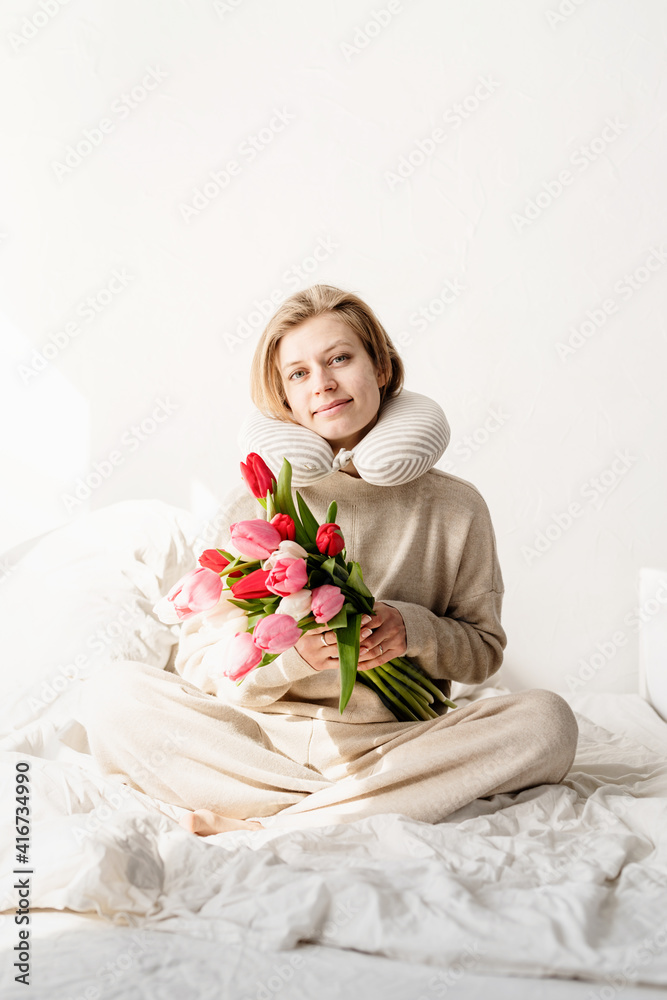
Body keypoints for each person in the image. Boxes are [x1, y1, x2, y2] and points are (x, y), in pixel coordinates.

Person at [82, 284, 579, 836]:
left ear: (383, 366)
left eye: (339, 358)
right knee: (111, 697)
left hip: (391, 744)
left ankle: (276, 821)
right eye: (298, 373)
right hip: (260, 741)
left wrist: (410, 630)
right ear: (286, 398)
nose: (322, 384)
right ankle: (352, 808)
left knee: (547, 722)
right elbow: (201, 663)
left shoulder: (456, 506)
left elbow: (482, 654)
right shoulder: (253, 503)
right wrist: (295, 659)